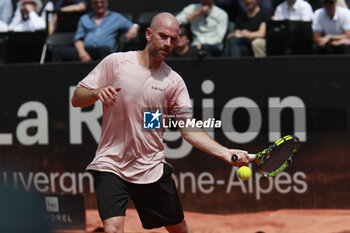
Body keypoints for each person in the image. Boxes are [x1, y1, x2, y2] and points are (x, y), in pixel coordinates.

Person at [71, 12, 250, 233]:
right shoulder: (115, 62)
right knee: (113, 229)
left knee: (179, 230)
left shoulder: (174, 82)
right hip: (110, 163)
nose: (168, 43)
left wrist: (225, 152)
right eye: (163, 36)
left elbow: (189, 129)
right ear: (148, 34)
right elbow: (77, 98)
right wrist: (97, 92)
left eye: (173, 39)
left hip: (150, 168)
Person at [51, 0, 139, 62]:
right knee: (57, 52)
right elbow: (78, 39)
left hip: (105, 51)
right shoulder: (84, 18)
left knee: (104, 50)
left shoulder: (116, 17)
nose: (99, 5)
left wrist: (134, 29)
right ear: (91, 4)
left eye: (102, 2)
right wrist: (82, 53)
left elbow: (134, 25)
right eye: (96, 2)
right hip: (86, 51)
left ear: (107, 2)